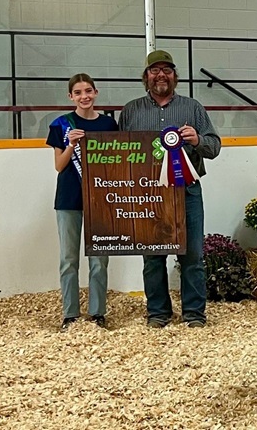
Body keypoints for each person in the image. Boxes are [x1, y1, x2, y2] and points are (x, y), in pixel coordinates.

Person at [119, 50, 221, 328]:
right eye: (154, 70)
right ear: (146, 77)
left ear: (175, 76)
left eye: (166, 70)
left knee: (192, 255)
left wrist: (198, 138)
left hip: (187, 190)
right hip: (148, 194)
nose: (160, 75)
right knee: (152, 256)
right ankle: (158, 312)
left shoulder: (193, 108)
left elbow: (215, 147)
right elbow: (119, 153)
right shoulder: (130, 111)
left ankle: (194, 314)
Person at [46, 73, 119, 332]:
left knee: (100, 258)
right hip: (69, 198)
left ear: (96, 93)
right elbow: (59, 166)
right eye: (78, 92)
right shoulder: (60, 125)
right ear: (70, 96)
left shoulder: (110, 125)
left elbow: (116, 162)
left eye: (88, 91)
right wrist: (71, 145)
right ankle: (70, 314)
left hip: (101, 197)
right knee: (69, 258)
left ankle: (98, 312)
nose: (84, 96)